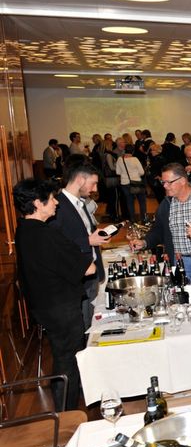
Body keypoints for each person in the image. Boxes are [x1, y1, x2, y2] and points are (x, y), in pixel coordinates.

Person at [14, 178, 96, 410]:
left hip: (44, 307)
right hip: (62, 308)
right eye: (51, 199)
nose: (56, 203)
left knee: (62, 358)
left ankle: (64, 410)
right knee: (68, 361)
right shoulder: (46, 235)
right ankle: (66, 415)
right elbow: (88, 269)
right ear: (37, 203)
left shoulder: (23, 230)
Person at [132, 163, 191, 319]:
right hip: (180, 265)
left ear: (182, 180)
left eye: (169, 182)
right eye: (163, 182)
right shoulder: (167, 204)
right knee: (182, 308)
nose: (165, 186)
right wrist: (145, 242)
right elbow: (158, 230)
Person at [50, 161, 109, 329]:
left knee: (92, 322)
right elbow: (55, 246)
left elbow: (85, 234)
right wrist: (88, 241)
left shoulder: (80, 203)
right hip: (77, 278)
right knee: (83, 327)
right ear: (80, 180)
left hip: (91, 274)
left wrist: (96, 238)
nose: (95, 189)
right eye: (93, 183)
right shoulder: (57, 206)